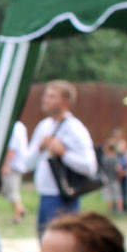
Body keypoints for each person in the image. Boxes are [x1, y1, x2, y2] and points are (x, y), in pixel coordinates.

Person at [20, 81, 98, 235]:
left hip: (63, 198)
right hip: (45, 195)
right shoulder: (44, 126)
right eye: (46, 95)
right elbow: (27, 164)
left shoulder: (75, 129)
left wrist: (63, 153)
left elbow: (90, 167)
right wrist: (39, 148)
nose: (45, 99)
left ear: (65, 102)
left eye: (52, 96)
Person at [0, 120, 28, 223]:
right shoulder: (20, 126)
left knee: (12, 191)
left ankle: (18, 215)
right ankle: (21, 210)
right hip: (17, 164)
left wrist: (6, 165)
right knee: (10, 191)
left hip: (13, 165)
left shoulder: (15, 127)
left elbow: (12, 148)